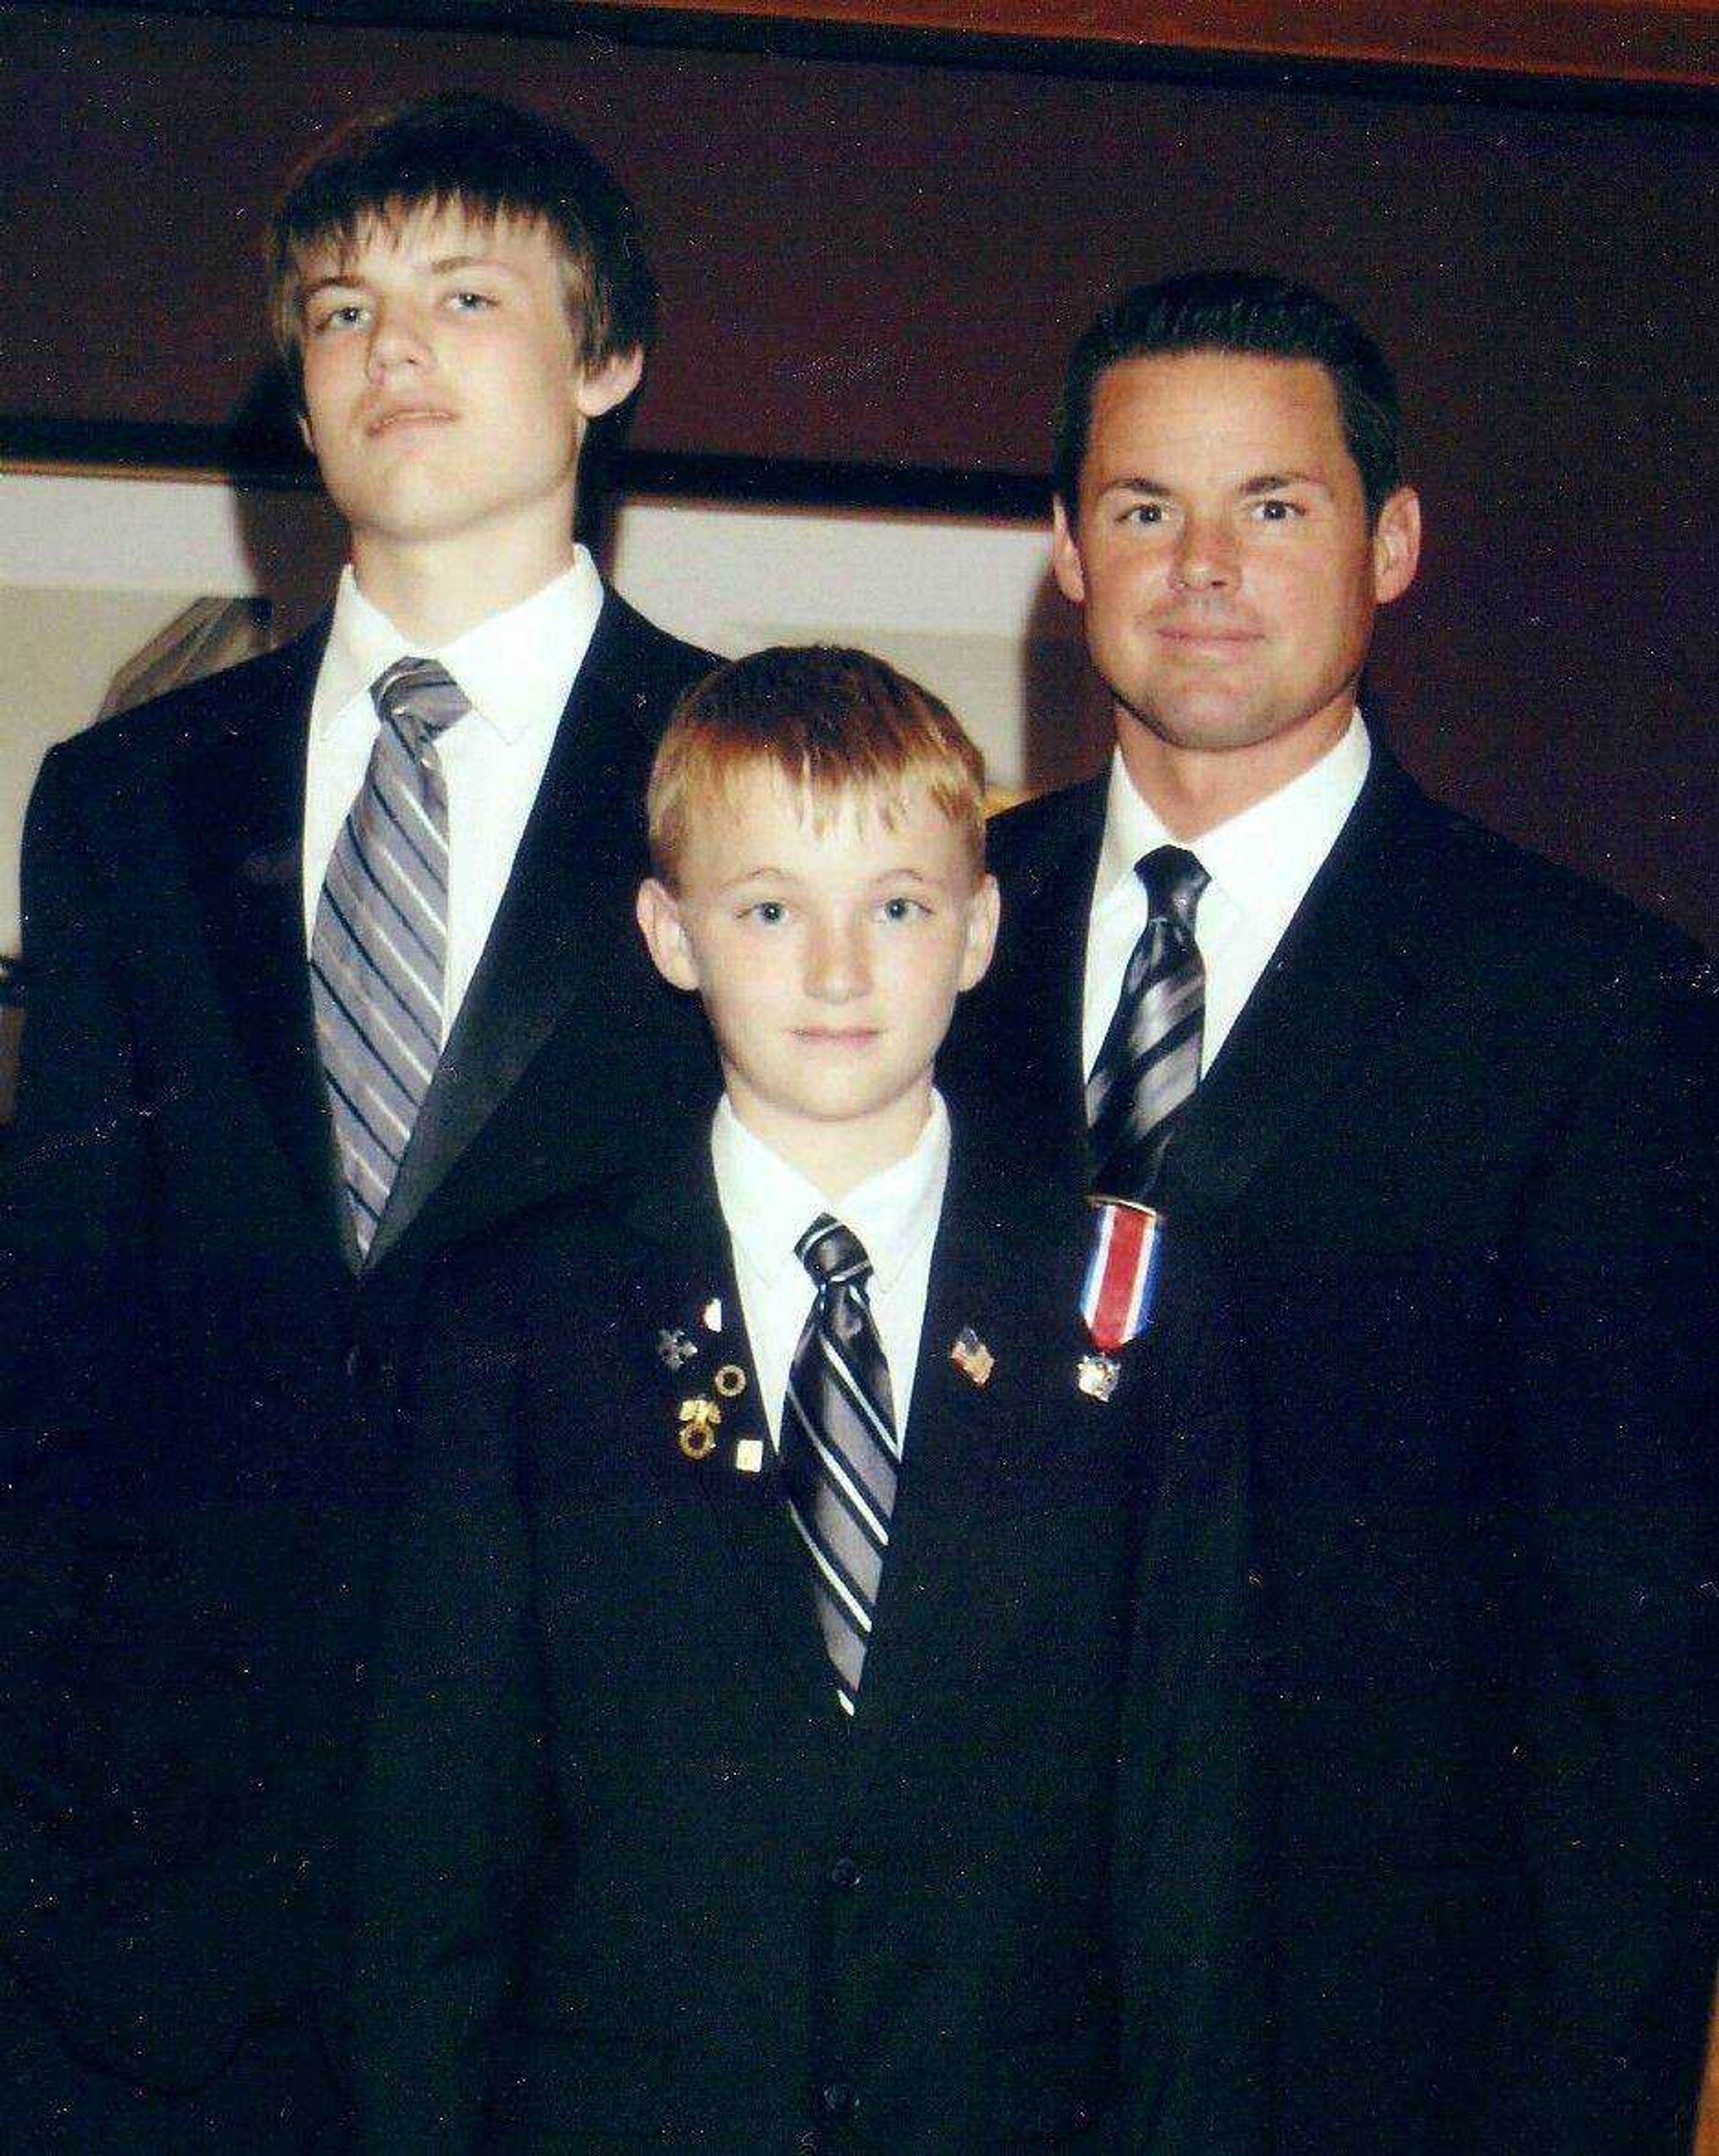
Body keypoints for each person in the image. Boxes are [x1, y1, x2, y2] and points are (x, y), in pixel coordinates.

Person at [0, 94, 714, 2147]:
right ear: (297, 400)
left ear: (605, 360)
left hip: (604, 1894)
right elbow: (54, 1348)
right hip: (157, 1918)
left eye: (465, 293)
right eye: (341, 308)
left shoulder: (751, 767)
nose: (390, 350)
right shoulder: (129, 797)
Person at [939, 271, 1716, 2152]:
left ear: (1392, 544)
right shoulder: (919, 935)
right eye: (1144, 509)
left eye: (1271, 508)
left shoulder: (1589, 1003)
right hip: (952, 2035)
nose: (1202, 567)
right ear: (1063, 548)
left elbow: (1634, 1676)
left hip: (1374, 2056)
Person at [350, 646, 1254, 2152]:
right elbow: (432, 1861)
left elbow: (1191, 1854)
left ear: (976, 930)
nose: (839, 973)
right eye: (770, 910)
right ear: (672, 931)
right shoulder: (523, 1316)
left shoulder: (1133, 1309)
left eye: (896, 908)